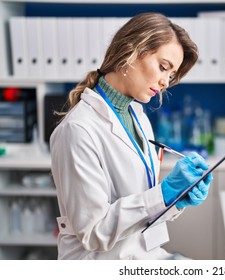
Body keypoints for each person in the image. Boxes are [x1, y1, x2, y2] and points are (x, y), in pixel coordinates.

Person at [50, 12, 213, 260]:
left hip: (140, 254)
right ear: (131, 50)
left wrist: (177, 200)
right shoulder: (77, 130)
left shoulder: (137, 117)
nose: (165, 82)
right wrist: (164, 193)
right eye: (163, 67)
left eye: (170, 75)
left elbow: (140, 203)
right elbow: (94, 232)